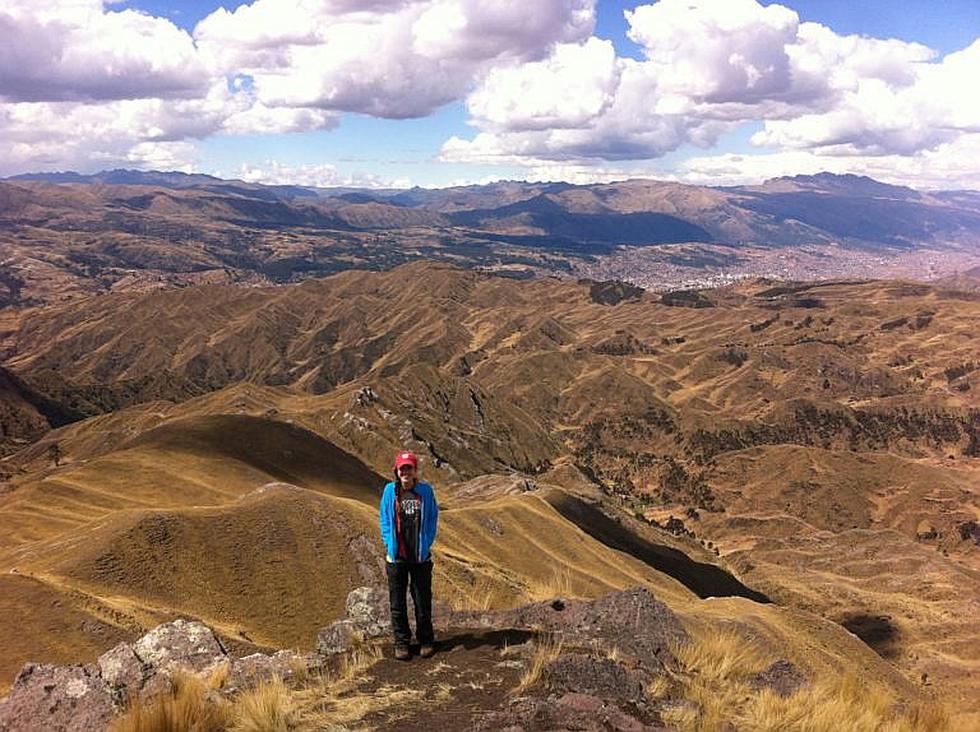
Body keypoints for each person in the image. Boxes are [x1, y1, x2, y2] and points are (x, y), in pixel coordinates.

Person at [379, 450, 439, 660]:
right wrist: (389, 544)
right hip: (397, 558)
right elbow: (384, 519)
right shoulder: (389, 491)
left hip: (420, 557)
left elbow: (432, 518)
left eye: (409, 468)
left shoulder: (425, 492)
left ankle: (426, 640)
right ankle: (402, 643)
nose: (405, 472)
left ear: (415, 471)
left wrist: (427, 542)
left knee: (422, 601)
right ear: (396, 471)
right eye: (402, 469)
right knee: (397, 604)